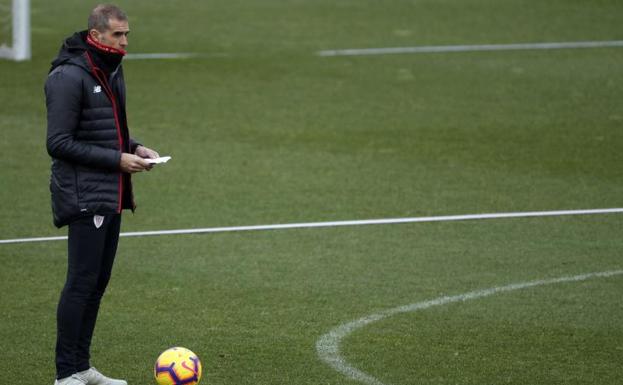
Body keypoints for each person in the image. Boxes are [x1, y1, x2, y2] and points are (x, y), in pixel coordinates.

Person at [45, 4, 158, 385]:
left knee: (96, 284)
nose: (125, 42)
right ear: (96, 35)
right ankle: (66, 374)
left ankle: (82, 366)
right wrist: (116, 159)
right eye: (118, 35)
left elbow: (108, 129)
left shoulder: (111, 68)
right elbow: (58, 143)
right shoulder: (67, 77)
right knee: (81, 282)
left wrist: (135, 148)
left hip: (110, 191)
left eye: (127, 34)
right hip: (83, 194)